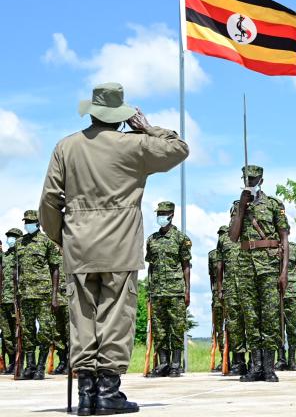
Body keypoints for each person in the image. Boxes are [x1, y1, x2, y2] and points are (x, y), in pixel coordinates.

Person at [39, 82, 188, 414]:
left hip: (78, 245)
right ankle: (108, 392)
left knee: (82, 318)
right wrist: (149, 128)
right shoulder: (135, 146)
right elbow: (179, 149)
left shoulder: (66, 147)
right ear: (121, 116)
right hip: (120, 246)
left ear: (92, 112)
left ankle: (85, 394)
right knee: (116, 316)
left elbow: (50, 201)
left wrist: (61, 238)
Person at [228, 164, 290, 383]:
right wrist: (242, 209)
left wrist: (284, 273)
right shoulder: (237, 206)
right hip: (245, 267)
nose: (250, 184)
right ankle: (255, 367)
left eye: (253, 180)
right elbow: (233, 237)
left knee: (271, 317)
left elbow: (284, 239)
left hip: (269, 267)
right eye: (246, 180)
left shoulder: (273, 205)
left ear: (261, 181)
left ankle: (268, 367)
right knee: (251, 317)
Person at [145, 202, 192, 378]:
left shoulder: (180, 239)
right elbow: (151, 266)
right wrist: (150, 289)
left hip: (176, 290)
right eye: (159, 213)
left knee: (177, 328)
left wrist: (187, 291)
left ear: (172, 215)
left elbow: (186, 265)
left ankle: (175, 364)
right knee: (159, 328)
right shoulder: (152, 240)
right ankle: (163, 363)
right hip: (157, 291)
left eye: (164, 213)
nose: (161, 217)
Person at [15, 210, 61, 380]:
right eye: (25, 221)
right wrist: (16, 294)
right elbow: (16, 270)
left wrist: (55, 296)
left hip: (43, 294)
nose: (27, 224)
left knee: (45, 331)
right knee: (27, 331)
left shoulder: (47, 242)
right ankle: (30, 366)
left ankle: (41, 366)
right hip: (25, 294)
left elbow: (55, 269)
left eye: (30, 221)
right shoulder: (20, 243)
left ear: (38, 223)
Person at [216, 221, 247, 376]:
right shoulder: (224, 239)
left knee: (252, 322)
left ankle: (256, 361)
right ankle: (239, 361)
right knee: (234, 325)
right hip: (231, 288)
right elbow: (219, 265)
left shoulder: (250, 233)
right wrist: (220, 288)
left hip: (249, 286)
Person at [275, 241, 296, 371]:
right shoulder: (271, 247)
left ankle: (292, 360)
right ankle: (281, 359)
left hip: (291, 292)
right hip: (275, 293)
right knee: (277, 328)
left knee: (291, 327)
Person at [0, 228, 23, 375]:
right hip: (3, 299)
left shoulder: (21, 256)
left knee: (20, 334)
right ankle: (10, 363)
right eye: (8, 236)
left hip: (17, 301)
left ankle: (19, 363)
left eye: (13, 237)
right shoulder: (6, 256)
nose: (10, 239)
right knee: (7, 334)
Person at [208, 226, 227, 373]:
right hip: (217, 296)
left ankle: (235, 359)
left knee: (234, 328)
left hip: (233, 293)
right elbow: (212, 278)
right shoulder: (213, 255)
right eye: (220, 234)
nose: (221, 237)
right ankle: (223, 358)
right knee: (219, 329)